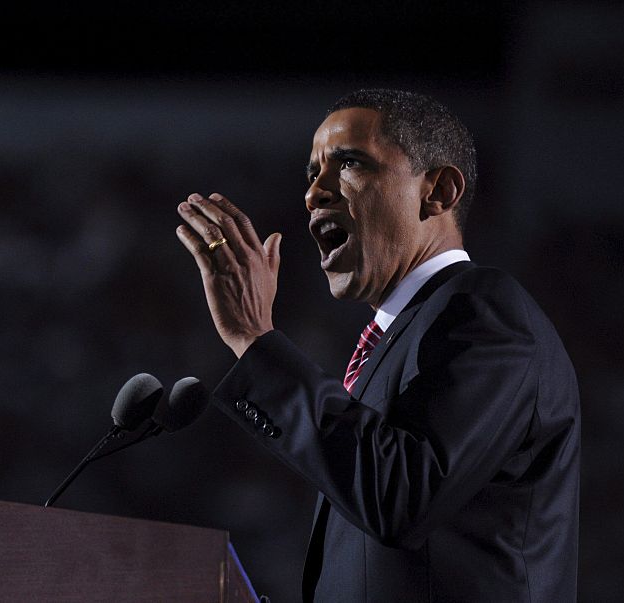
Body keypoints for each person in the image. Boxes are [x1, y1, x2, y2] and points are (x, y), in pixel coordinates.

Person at [175, 89, 579, 602]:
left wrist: (255, 337)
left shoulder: (485, 311)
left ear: (438, 191)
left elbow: (398, 496)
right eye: (312, 173)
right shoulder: (398, 338)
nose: (314, 193)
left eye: (348, 163)